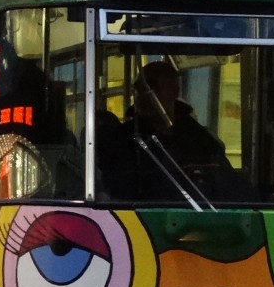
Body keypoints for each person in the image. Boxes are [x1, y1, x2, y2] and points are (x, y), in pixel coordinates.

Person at [102, 60, 245, 203]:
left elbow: (228, 187)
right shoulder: (122, 139)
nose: (143, 95)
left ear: (174, 91)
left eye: (152, 87)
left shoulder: (200, 139)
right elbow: (113, 187)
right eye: (139, 89)